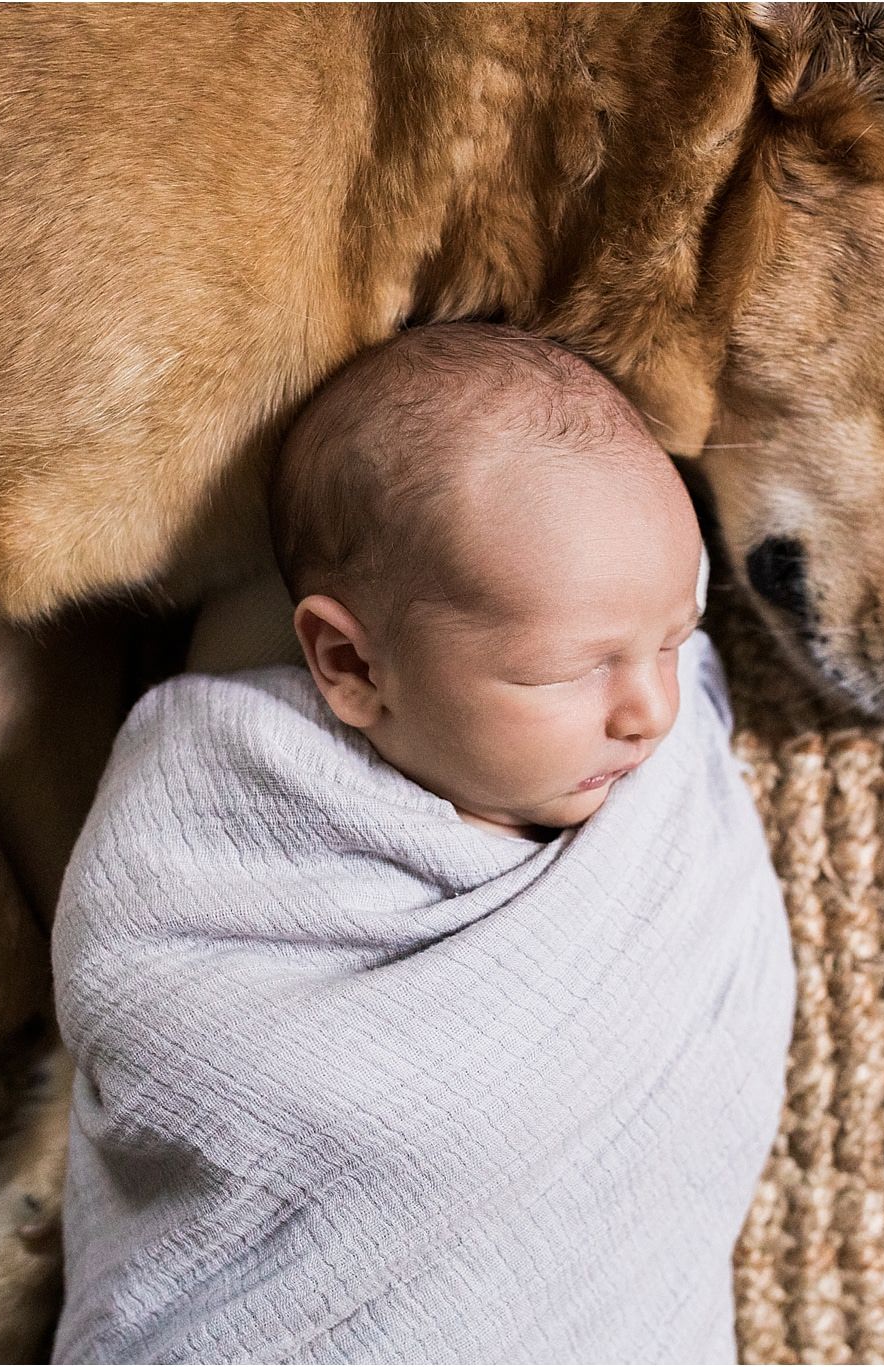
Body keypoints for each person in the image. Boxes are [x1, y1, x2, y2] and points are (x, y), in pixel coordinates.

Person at [53, 323, 794, 1363]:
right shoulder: (227, 829)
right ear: (349, 662)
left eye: (674, 638)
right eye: (566, 671)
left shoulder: (655, 821)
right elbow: (168, 1021)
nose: (651, 711)